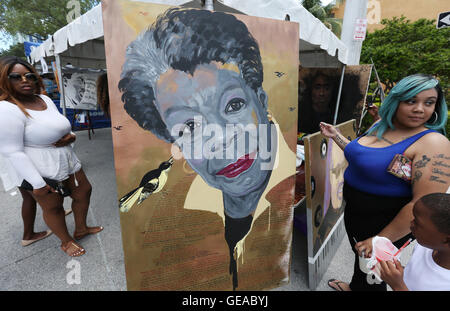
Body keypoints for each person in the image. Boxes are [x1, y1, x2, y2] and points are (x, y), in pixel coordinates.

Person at [118, 7, 295, 290]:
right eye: (188, 128)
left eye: (233, 105)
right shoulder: (173, 215)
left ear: (261, 101)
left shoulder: (292, 194)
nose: (220, 140)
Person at [320, 74, 449, 291]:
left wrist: (380, 239)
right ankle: (354, 287)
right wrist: (336, 136)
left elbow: (422, 203)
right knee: (359, 256)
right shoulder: (381, 125)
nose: (419, 109)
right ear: (395, 101)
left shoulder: (433, 143)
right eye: (411, 100)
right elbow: (361, 156)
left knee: (376, 272)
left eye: (429, 102)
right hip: (356, 213)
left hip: (387, 221)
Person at [0, 56, 102, 257]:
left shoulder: (44, 99)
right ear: (4, 80)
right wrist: (37, 184)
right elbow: (12, 151)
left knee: (84, 191)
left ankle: (81, 229)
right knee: (54, 207)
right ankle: (66, 241)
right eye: (16, 77)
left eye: (29, 75)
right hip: (39, 166)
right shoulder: (6, 109)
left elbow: (61, 127)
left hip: (66, 158)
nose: (25, 80)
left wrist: (70, 137)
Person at [379, 193, 450, 291]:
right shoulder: (425, 247)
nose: (411, 224)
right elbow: (418, 275)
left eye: (417, 223)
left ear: (446, 239)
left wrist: (397, 286)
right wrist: (393, 271)